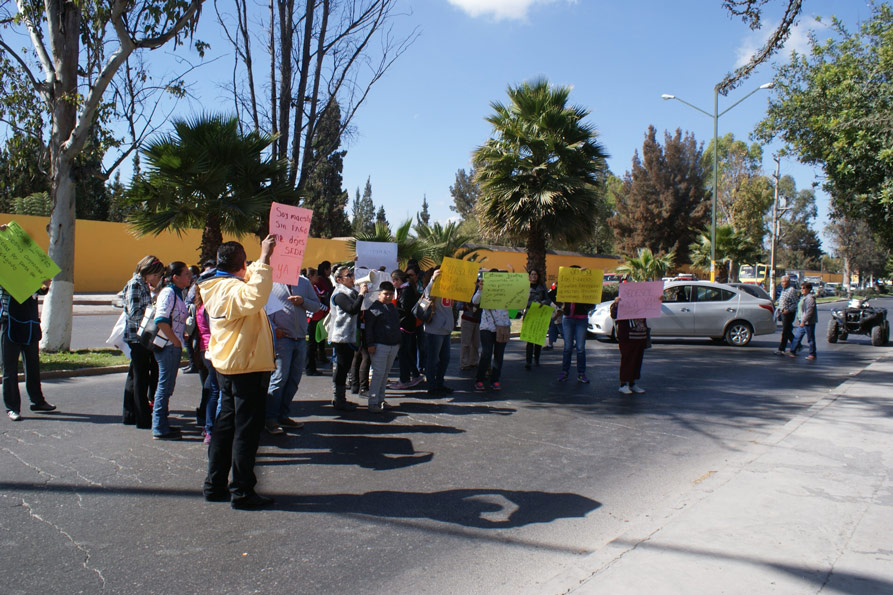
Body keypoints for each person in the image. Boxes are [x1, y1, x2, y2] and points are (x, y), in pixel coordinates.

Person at [201, 236, 278, 510]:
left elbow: (249, 292)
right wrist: (266, 258)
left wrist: (260, 262)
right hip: (245, 367)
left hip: (230, 365)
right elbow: (254, 297)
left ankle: (215, 484)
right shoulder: (229, 288)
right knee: (246, 431)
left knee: (227, 424)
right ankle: (242, 491)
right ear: (241, 264)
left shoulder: (217, 285)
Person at [264, 274, 321, 434]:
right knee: (279, 378)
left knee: (294, 379)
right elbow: (264, 311)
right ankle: (270, 419)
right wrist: (274, 330)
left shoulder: (303, 282)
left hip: (300, 338)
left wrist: (303, 301)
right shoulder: (271, 282)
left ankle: (283, 415)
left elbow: (316, 306)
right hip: (283, 339)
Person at [0, 266, 56, 422]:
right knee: (9, 369)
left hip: (29, 323)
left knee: (32, 365)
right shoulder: (4, 276)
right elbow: (17, 290)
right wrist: (33, 284)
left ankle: (37, 401)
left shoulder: (29, 272)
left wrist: (45, 283)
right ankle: (12, 407)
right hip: (9, 323)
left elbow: (39, 292)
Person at [151, 261, 193, 439]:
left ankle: (163, 423)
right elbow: (160, 319)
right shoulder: (169, 293)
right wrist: (175, 341)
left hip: (172, 345)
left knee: (167, 386)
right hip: (167, 347)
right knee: (164, 385)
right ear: (175, 277)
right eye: (186, 274)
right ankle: (159, 427)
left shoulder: (178, 293)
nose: (189, 277)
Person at [121, 255, 165, 428]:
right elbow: (134, 312)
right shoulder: (135, 284)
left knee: (135, 376)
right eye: (156, 275)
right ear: (149, 272)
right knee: (140, 378)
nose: (157, 279)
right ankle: (142, 417)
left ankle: (130, 413)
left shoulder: (143, 285)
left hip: (142, 336)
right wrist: (153, 310)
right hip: (137, 337)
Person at [329, 266, 369, 410]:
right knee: (341, 368)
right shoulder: (339, 294)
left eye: (352, 274)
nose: (353, 277)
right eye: (349, 275)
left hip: (348, 336)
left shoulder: (350, 292)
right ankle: (338, 400)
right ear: (339, 280)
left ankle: (341, 399)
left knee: (345, 367)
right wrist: (362, 294)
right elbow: (352, 309)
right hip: (340, 337)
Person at [365, 281, 402, 412]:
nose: (388, 296)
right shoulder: (373, 308)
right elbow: (368, 329)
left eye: (391, 294)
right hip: (379, 345)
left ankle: (381, 399)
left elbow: (396, 324)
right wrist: (370, 344)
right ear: (379, 294)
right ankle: (373, 402)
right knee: (378, 374)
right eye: (386, 294)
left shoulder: (392, 307)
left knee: (385, 374)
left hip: (393, 345)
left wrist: (398, 341)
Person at [472, 272, 511, 391]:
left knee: (499, 355)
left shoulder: (507, 292)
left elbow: (518, 306)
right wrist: (480, 290)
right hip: (487, 327)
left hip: (502, 327)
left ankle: (495, 380)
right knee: (486, 353)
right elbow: (475, 301)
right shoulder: (484, 290)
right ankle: (480, 379)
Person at [556, 267, 595, 383]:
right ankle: (565, 372)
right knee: (567, 347)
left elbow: (593, 302)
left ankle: (581, 373)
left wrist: (585, 307)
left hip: (581, 319)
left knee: (580, 348)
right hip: (568, 318)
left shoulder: (586, 287)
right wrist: (561, 305)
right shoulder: (566, 285)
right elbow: (554, 294)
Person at [423, 268, 455, 396]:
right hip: (435, 329)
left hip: (446, 328)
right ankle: (432, 386)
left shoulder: (451, 288)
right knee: (433, 359)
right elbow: (428, 295)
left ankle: (439, 383)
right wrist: (433, 279)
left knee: (445, 358)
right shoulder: (434, 286)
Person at [610, 297, 649, 394]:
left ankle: (632, 383)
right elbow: (613, 314)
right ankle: (623, 384)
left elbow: (652, 309)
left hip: (640, 335)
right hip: (627, 336)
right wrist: (616, 303)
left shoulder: (643, 302)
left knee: (637, 360)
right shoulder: (621, 302)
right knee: (627, 359)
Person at [392, 269, 423, 389]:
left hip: (404, 325)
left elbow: (404, 309)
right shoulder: (407, 289)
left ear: (398, 280)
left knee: (403, 354)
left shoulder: (405, 291)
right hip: (408, 325)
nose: (393, 284)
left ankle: (404, 379)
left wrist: (392, 308)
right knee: (407, 352)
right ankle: (415, 375)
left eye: (393, 281)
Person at [304, 268, 328, 375]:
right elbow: (316, 303)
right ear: (310, 276)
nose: (317, 278)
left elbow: (320, 295)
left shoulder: (313, 287)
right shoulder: (308, 287)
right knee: (311, 345)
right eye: (315, 276)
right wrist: (327, 309)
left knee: (314, 344)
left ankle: (312, 367)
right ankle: (310, 368)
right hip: (312, 319)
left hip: (317, 319)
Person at [524, 269, 551, 369]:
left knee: (538, 339)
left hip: (540, 315)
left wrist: (542, 303)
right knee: (529, 340)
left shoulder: (542, 287)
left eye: (535, 274)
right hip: (529, 314)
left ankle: (537, 359)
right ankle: (528, 361)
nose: (534, 276)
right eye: (532, 274)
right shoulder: (526, 287)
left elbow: (548, 299)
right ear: (529, 276)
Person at [788, 282, 818, 360]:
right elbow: (800, 310)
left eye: (804, 288)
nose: (802, 290)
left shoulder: (810, 298)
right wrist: (799, 319)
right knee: (797, 337)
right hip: (802, 321)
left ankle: (812, 354)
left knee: (810, 338)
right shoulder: (803, 297)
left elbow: (809, 311)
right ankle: (792, 351)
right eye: (801, 288)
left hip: (808, 322)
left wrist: (803, 321)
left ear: (808, 289)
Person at [458, 277, 482, 371]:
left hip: (478, 320)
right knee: (466, 343)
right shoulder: (464, 293)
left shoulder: (480, 292)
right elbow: (459, 306)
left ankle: (474, 361)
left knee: (476, 343)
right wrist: (467, 307)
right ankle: (464, 363)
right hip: (467, 320)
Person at [775, 275, 799, 355]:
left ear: (788, 282)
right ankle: (798, 345)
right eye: (781, 282)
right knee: (788, 331)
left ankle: (781, 349)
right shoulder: (784, 290)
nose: (782, 283)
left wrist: (788, 310)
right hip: (782, 313)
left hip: (788, 314)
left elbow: (795, 303)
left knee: (785, 331)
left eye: (784, 282)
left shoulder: (791, 290)